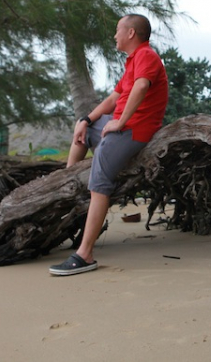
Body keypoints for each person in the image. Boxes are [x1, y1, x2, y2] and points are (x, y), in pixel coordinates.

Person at [49, 14, 168, 276]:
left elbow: (141, 88)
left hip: (135, 129)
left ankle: (85, 254)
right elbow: (114, 98)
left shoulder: (147, 55)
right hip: (122, 124)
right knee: (87, 129)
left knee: (101, 175)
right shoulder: (132, 61)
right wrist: (86, 119)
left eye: (117, 30)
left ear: (131, 33)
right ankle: (65, 182)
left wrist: (120, 122)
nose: (114, 35)